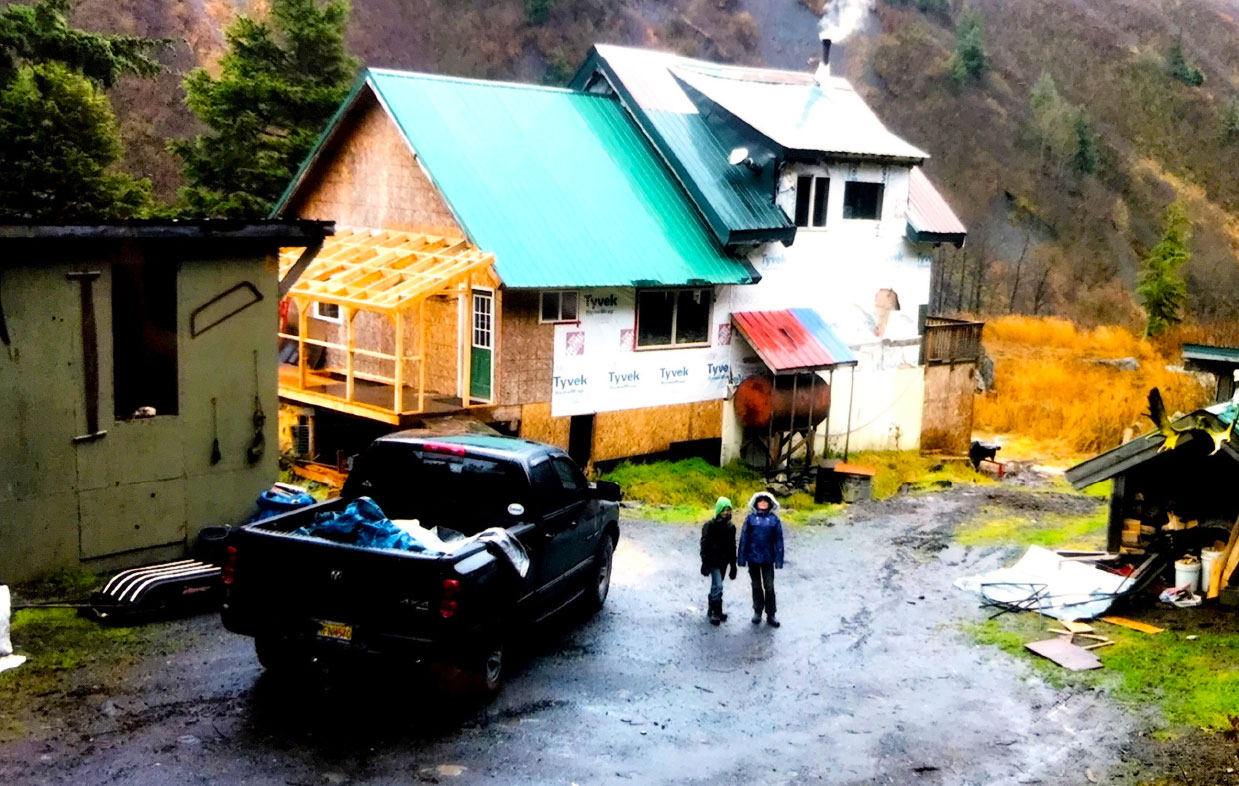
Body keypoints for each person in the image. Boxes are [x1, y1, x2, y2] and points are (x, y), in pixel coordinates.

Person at [737, 491, 784, 627]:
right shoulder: (750, 519)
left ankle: (771, 614)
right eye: (760, 501)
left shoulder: (774, 520)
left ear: (770, 503)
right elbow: (744, 538)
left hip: (768, 559)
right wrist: (741, 558)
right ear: (756, 503)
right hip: (753, 558)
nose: (763, 503)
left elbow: (779, 540)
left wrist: (779, 559)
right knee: (756, 586)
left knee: (769, 586)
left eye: (765, 501)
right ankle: (757, 611)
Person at [700, 497, 738, 625]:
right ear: (718, 511)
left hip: (724, 561)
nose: (726, 512)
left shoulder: (731, 527)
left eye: (728, 510)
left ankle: (712, 608)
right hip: (712, 560)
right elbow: (704, 544)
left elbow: (732, 546)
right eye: (723, 510)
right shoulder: (710, 525)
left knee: (715, 585)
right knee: (719, 586)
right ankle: (716, 612)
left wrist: (733, 565)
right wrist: (704, 562)